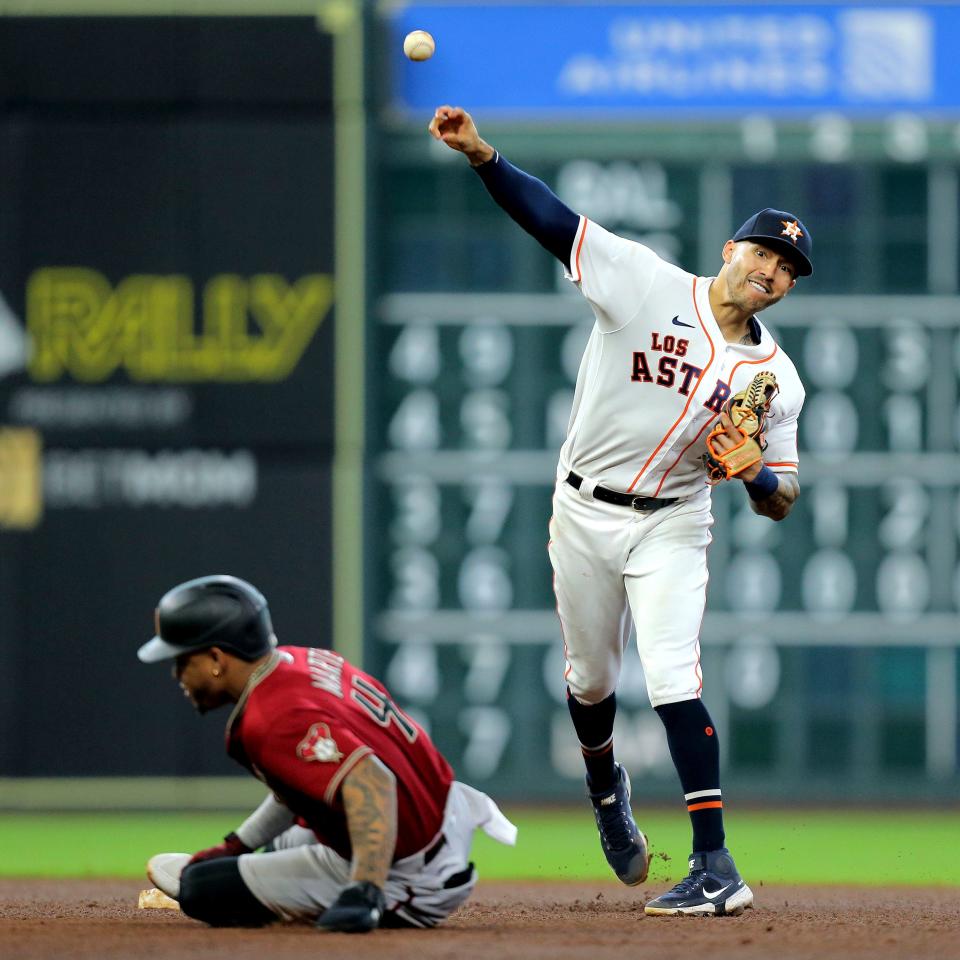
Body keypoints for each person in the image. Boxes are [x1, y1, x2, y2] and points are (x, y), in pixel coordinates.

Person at [428, 106, 810, 917]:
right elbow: (552, 221)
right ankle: (607, 793)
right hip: (584, 512)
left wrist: (755, 482)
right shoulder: (643, 281)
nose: (772, 270)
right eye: (764, 251)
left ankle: (715, 862)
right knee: (591, 678)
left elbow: (784, 498)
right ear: (729, 249)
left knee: (674, 674)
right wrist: (482, 156)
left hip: (675, 518)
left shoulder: (777, 381)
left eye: (788, 267)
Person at [138, 574, 516, 932]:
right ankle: (283, 881)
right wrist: (235, 846)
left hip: (413, 871)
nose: (177, 674)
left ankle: (350, 890)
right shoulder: (299, 662)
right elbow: (301, 785)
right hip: (437, 815)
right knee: (280, 844)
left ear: (218, 659)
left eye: (183, 661)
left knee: (201, 889)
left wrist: (365, 889)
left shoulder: (271, 718)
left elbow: (373, 781)